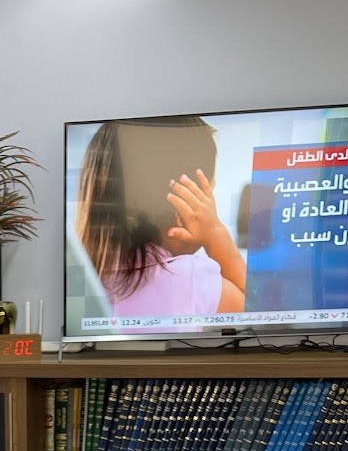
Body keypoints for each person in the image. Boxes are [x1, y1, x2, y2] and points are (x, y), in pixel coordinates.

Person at [76, 115, 247, 319]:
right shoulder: (191, 280)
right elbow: (260, 316)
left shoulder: (81, 280)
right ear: (184, 206)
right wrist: (215, 233)